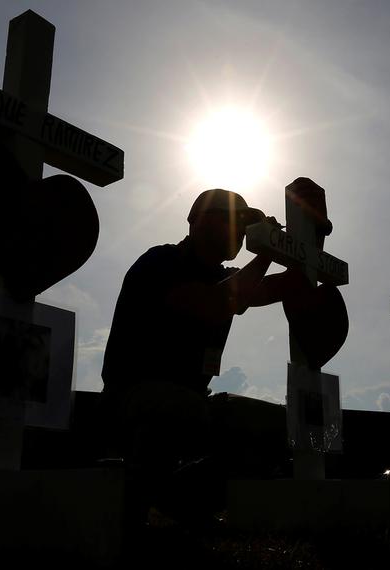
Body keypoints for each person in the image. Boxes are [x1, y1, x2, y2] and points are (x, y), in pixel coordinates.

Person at [99, 188, 297, 522]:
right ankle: (144, 495)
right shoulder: (161, 263)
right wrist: (265, 254)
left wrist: (300, 255)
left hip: (192, 402)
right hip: (131, 398)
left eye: (247, 225)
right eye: (234, 221)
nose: (241, 232)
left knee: (275, 424)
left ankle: (182, 498)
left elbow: (266, 289)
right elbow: (213, 305)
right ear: (200, 221)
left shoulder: (224, 278)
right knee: (177, 409)